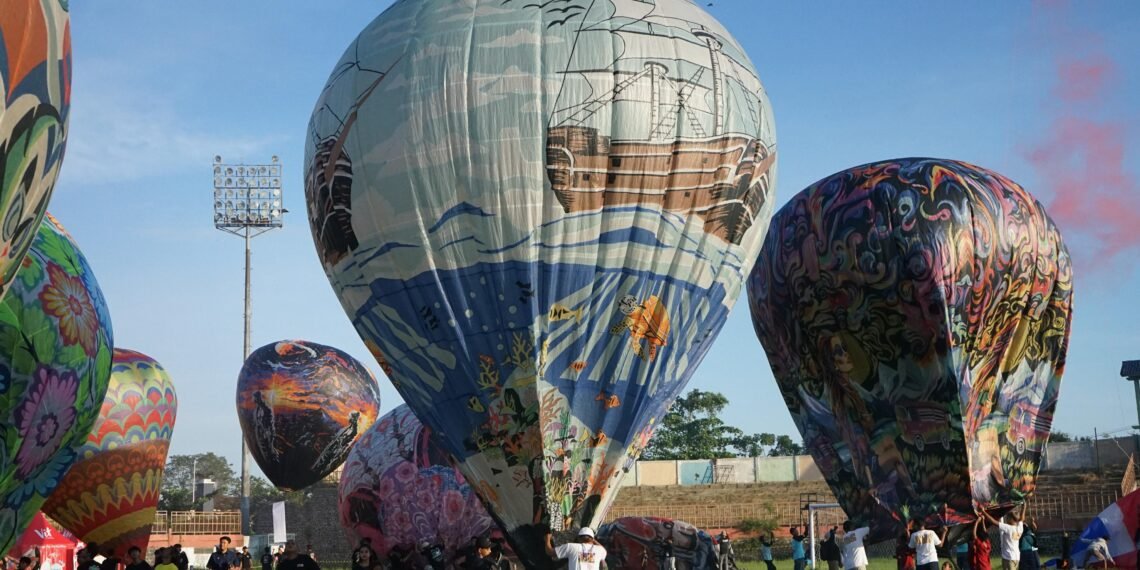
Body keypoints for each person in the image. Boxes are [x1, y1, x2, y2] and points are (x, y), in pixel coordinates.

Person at [981, 505, 1026, 570]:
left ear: (1011, 519)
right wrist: (1024, 507)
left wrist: (983, 512)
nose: (1006, 519)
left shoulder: (1008, 528)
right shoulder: (1020, 528)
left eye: (1007, 518)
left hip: (1008, 558)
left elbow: (993, 521)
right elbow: (1022, 518)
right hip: (1016, 557)